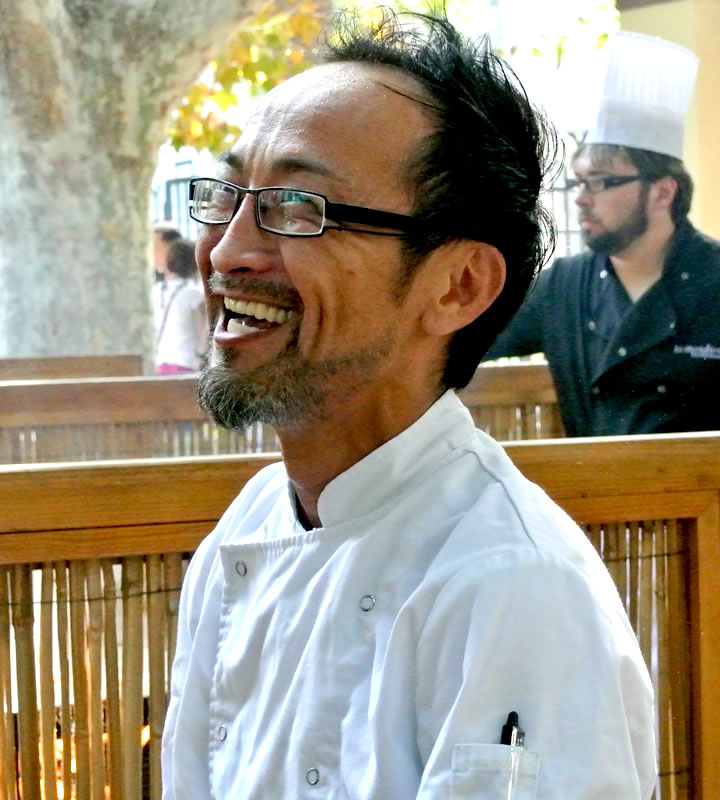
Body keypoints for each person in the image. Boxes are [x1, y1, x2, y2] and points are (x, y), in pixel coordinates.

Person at [161, 10, 656, 799]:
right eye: (228, 196)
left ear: (458, 286)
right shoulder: (249, 526)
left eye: (298, 206)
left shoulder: (512, 583)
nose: (226, 251)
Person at [485, 31, 720, 436]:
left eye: (601, 181)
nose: (582, 198)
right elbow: (465, 336)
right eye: (580, 181)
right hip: (592, 477)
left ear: (662, 192)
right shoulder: (563, 288)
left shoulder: (715, 280)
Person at [151, 237, 206, 373]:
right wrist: (201, 356)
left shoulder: (155, 290)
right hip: (187, 362)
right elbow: (203, 331)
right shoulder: (193, 294)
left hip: (160, 363)